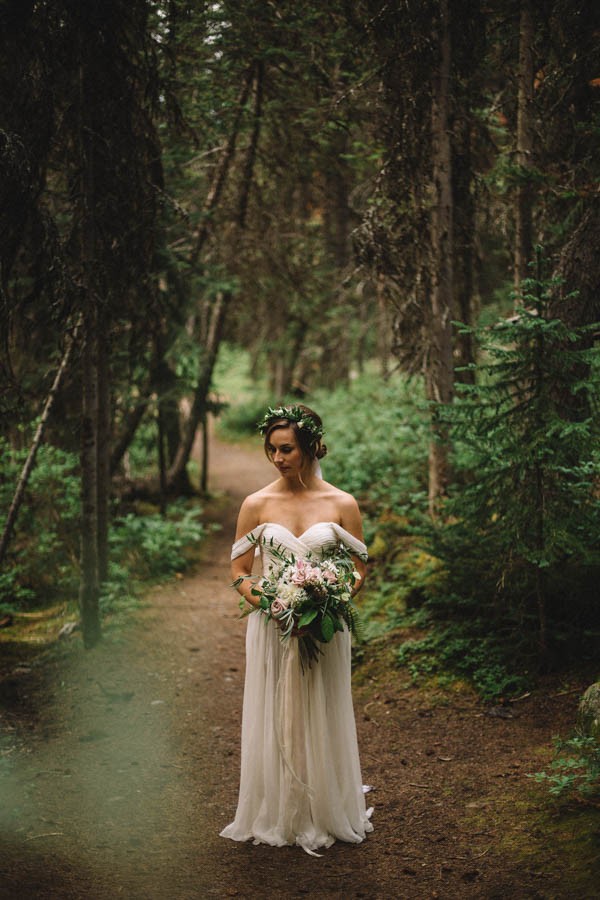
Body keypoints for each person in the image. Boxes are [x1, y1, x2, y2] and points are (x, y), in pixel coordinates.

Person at [220, 404, 373, 856]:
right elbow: (239, 569)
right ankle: (281, 808)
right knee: (279, 709)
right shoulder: (256, 504)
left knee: (323, 707)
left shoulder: (342, 504)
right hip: (274, 627)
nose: (277, 458)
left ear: (309, 447)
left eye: (286, 449)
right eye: (270, 449)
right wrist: (274, 603)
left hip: (325, 628)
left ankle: (325, 805)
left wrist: (330, 598)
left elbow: (360, 568)